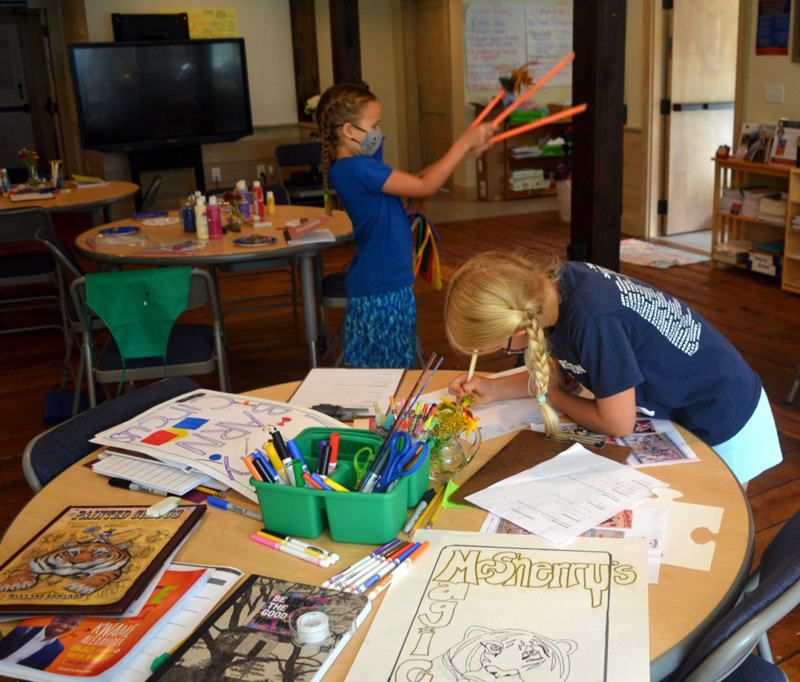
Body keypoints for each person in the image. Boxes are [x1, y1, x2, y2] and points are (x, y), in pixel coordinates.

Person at [444, 251, 782, 485]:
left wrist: (553, 396)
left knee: (721, 522)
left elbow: (617, 422)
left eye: (502, 348)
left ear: (520, 329)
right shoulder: (554, 291)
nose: (506, 352)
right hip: (686, 406)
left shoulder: (592, 321)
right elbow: (565, 374)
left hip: (726, 415)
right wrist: (495, 387)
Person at [316, 83, 496, 368]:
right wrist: (463, 143)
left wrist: (464, 151)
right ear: (349, 131)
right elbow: (424, 186)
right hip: (382, 289)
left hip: (381, 284)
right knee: (390, 379)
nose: (378, 132)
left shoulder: (351, 168)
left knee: (386, 375)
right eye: (374, 124)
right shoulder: (358, 168)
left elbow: (413, 183)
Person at [0, 615, 83, 670]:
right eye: (61, 620)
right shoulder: (20, 630)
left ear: (76, 627)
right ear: (54, 619)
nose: (63, 626)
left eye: (72, 624)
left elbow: (38, 671)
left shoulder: (58, 648)